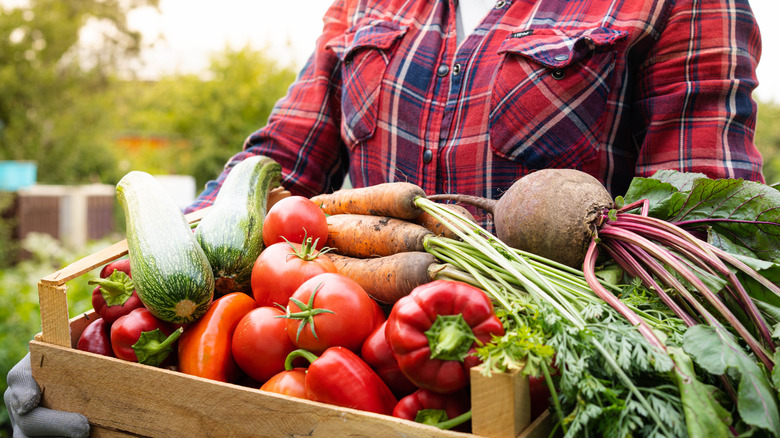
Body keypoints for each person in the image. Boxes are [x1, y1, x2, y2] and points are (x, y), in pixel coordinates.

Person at [5, 0, 765, 435]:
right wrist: (93, 337)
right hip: (335, 376)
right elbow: (276, 164)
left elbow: (698, 228)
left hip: (536, 387)